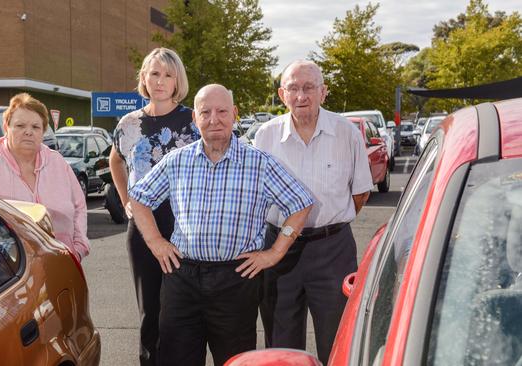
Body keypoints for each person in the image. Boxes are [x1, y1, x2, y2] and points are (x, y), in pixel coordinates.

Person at [129, 84, 314, 366]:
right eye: (205, 112)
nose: (214, 119)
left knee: (235, 360)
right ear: (195, 118)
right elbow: (140, 198)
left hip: (236, 281)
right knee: (175, 358)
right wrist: (156, 242)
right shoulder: (177, 161)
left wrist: (274, 253)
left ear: (235, 114)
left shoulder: (259, 163)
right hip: (182, 277)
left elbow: (301, 203)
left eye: (222, 111)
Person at [254, 60, 372, 364]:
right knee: (281, 345)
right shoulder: (264, 136)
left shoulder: (347, 133)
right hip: (279, 251)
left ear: (323, 92)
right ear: (282, 94)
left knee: (337, 341)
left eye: (308, 87)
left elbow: (360, 193)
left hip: (332, 249)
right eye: (293, 88)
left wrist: (327, 224)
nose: (301, 95)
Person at [109, 47, 199, 366]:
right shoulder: (129, 124)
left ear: (178, 81)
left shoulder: (193, 121)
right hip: (143, 226)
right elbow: (115, 160)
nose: (160, 81)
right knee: (150, 310)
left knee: (180, 310)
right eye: (155, 73)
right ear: (144, 78)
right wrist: (125, 201)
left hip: (184, 224)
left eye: (168, 75)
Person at [0, 93, 89, 259]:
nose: (28, 132)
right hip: (10, 271)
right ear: (6, 128)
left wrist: (79, 248)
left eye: (36, 127)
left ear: (43, 131)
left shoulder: (57, 162)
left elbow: (79, 206)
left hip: (63, 261)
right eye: (20, 126)